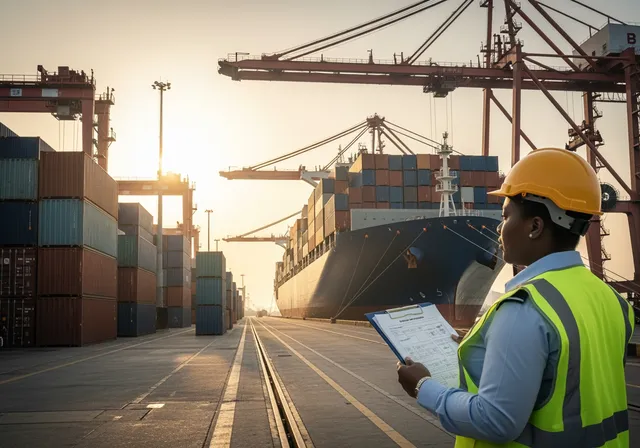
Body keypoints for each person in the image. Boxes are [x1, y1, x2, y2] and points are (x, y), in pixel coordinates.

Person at [397, 147, 635, 447]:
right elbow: (571, 383)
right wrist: (490, 343)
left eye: (506, 216)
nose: (499, 227)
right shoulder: (612, 300)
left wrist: (422, 387)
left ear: (535, 227)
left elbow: (496, 421)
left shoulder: (525, 308)